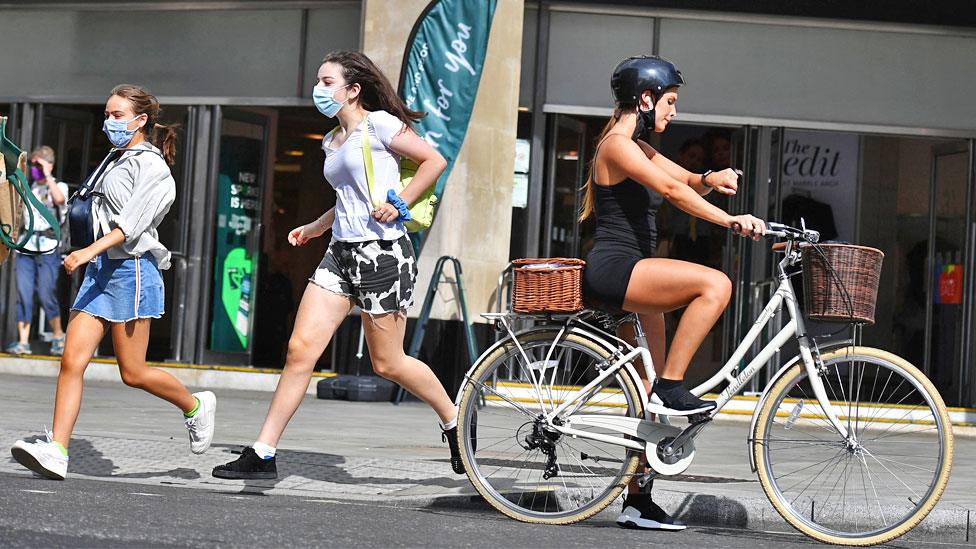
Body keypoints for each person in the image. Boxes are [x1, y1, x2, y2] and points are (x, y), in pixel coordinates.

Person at [212, 51, 459, 480]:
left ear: (353, 89)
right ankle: (263, 452)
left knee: (388, 363)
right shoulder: (331, 140)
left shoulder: (379, 124)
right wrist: (314, 226)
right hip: (340, 254)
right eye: (319, 81)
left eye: (327, 82)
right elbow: (348, 199)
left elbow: (434, 161)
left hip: (382, 254)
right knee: (299, 351)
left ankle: (454, 418)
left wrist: (399, 203)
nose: (319, 89)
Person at [580, 55, 765, 530]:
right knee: (714, 284)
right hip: (619, 269)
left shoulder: (636, 145)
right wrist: (730, 221)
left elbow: (684, 180)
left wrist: (711, 178)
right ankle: (673, 386)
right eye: (670, 102)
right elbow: (674, 194)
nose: (674, 112)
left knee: (644, 397)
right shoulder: (617, 146)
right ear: (645, 99)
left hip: (635, 271)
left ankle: (637, 501)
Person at [9, 84, 216, 480]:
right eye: (107, 114)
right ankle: (57, 449)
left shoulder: (152, 168)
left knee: (132, 372)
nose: (109, 122)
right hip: (101, 269)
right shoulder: (114, 158)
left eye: (117, 115)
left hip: (132, 270)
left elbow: (131, 225)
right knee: (72, 360)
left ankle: (194, 405)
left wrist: (86, 253)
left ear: (141, 120)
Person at [5, 146, 69, 356]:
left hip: (48, 248)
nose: (35, 169)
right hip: (27, 247)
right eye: (33, 165)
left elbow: (60, 200)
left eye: (38, 165)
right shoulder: (29, 188)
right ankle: (23, 341)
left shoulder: (58, 186)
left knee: (45, 292)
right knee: (23, 293)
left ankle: (58, 336)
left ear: (49, 165)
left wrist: (47, 175)